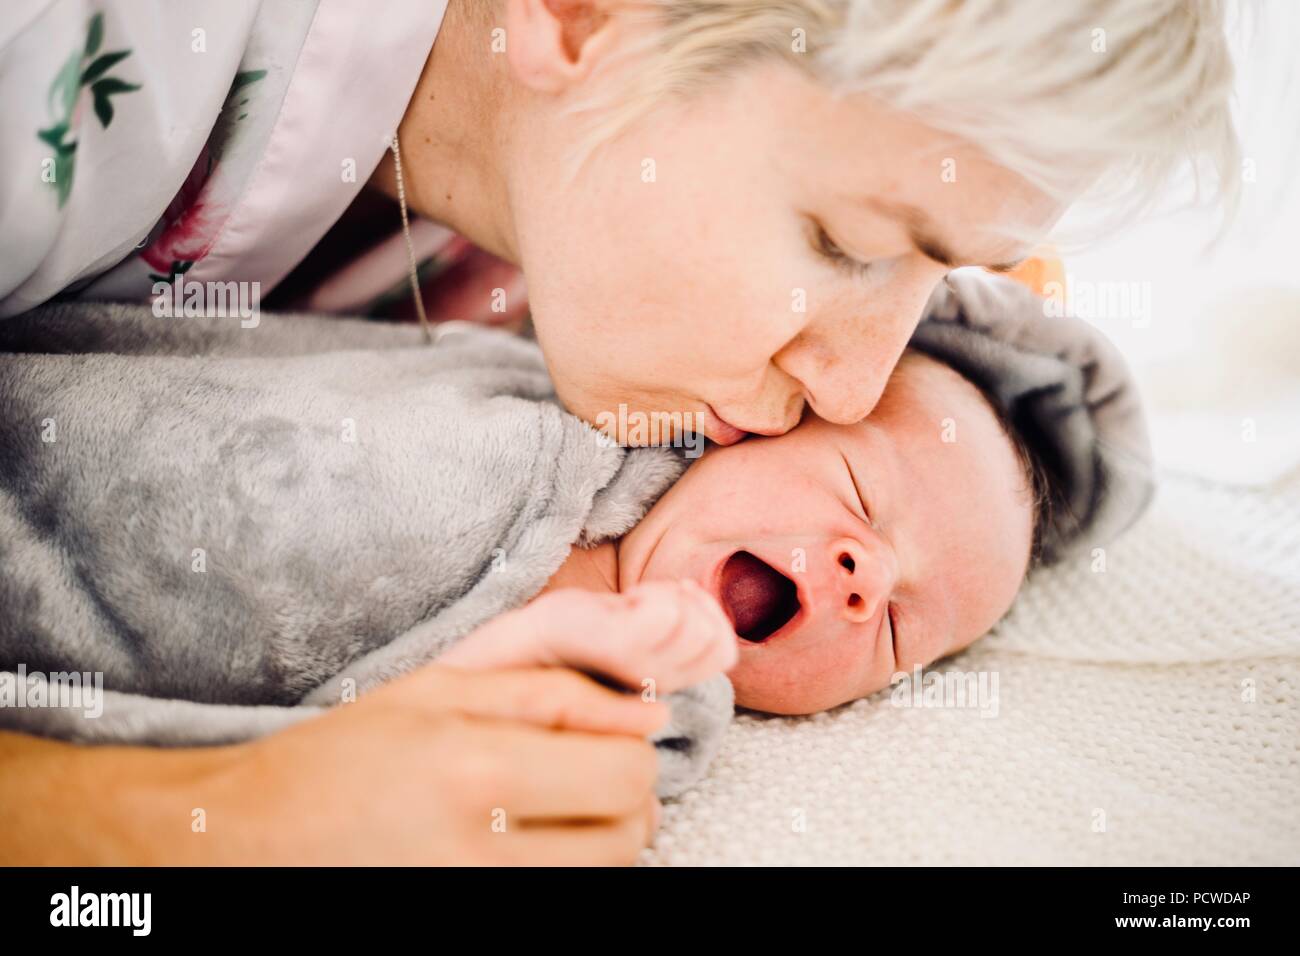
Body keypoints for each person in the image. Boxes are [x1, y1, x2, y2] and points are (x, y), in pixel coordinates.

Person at [0, 0, 1239, 863]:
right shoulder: (64, 57)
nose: (857, 389)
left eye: (927, 281)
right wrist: (203, 820)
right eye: (845, 244)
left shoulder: (535, 237)